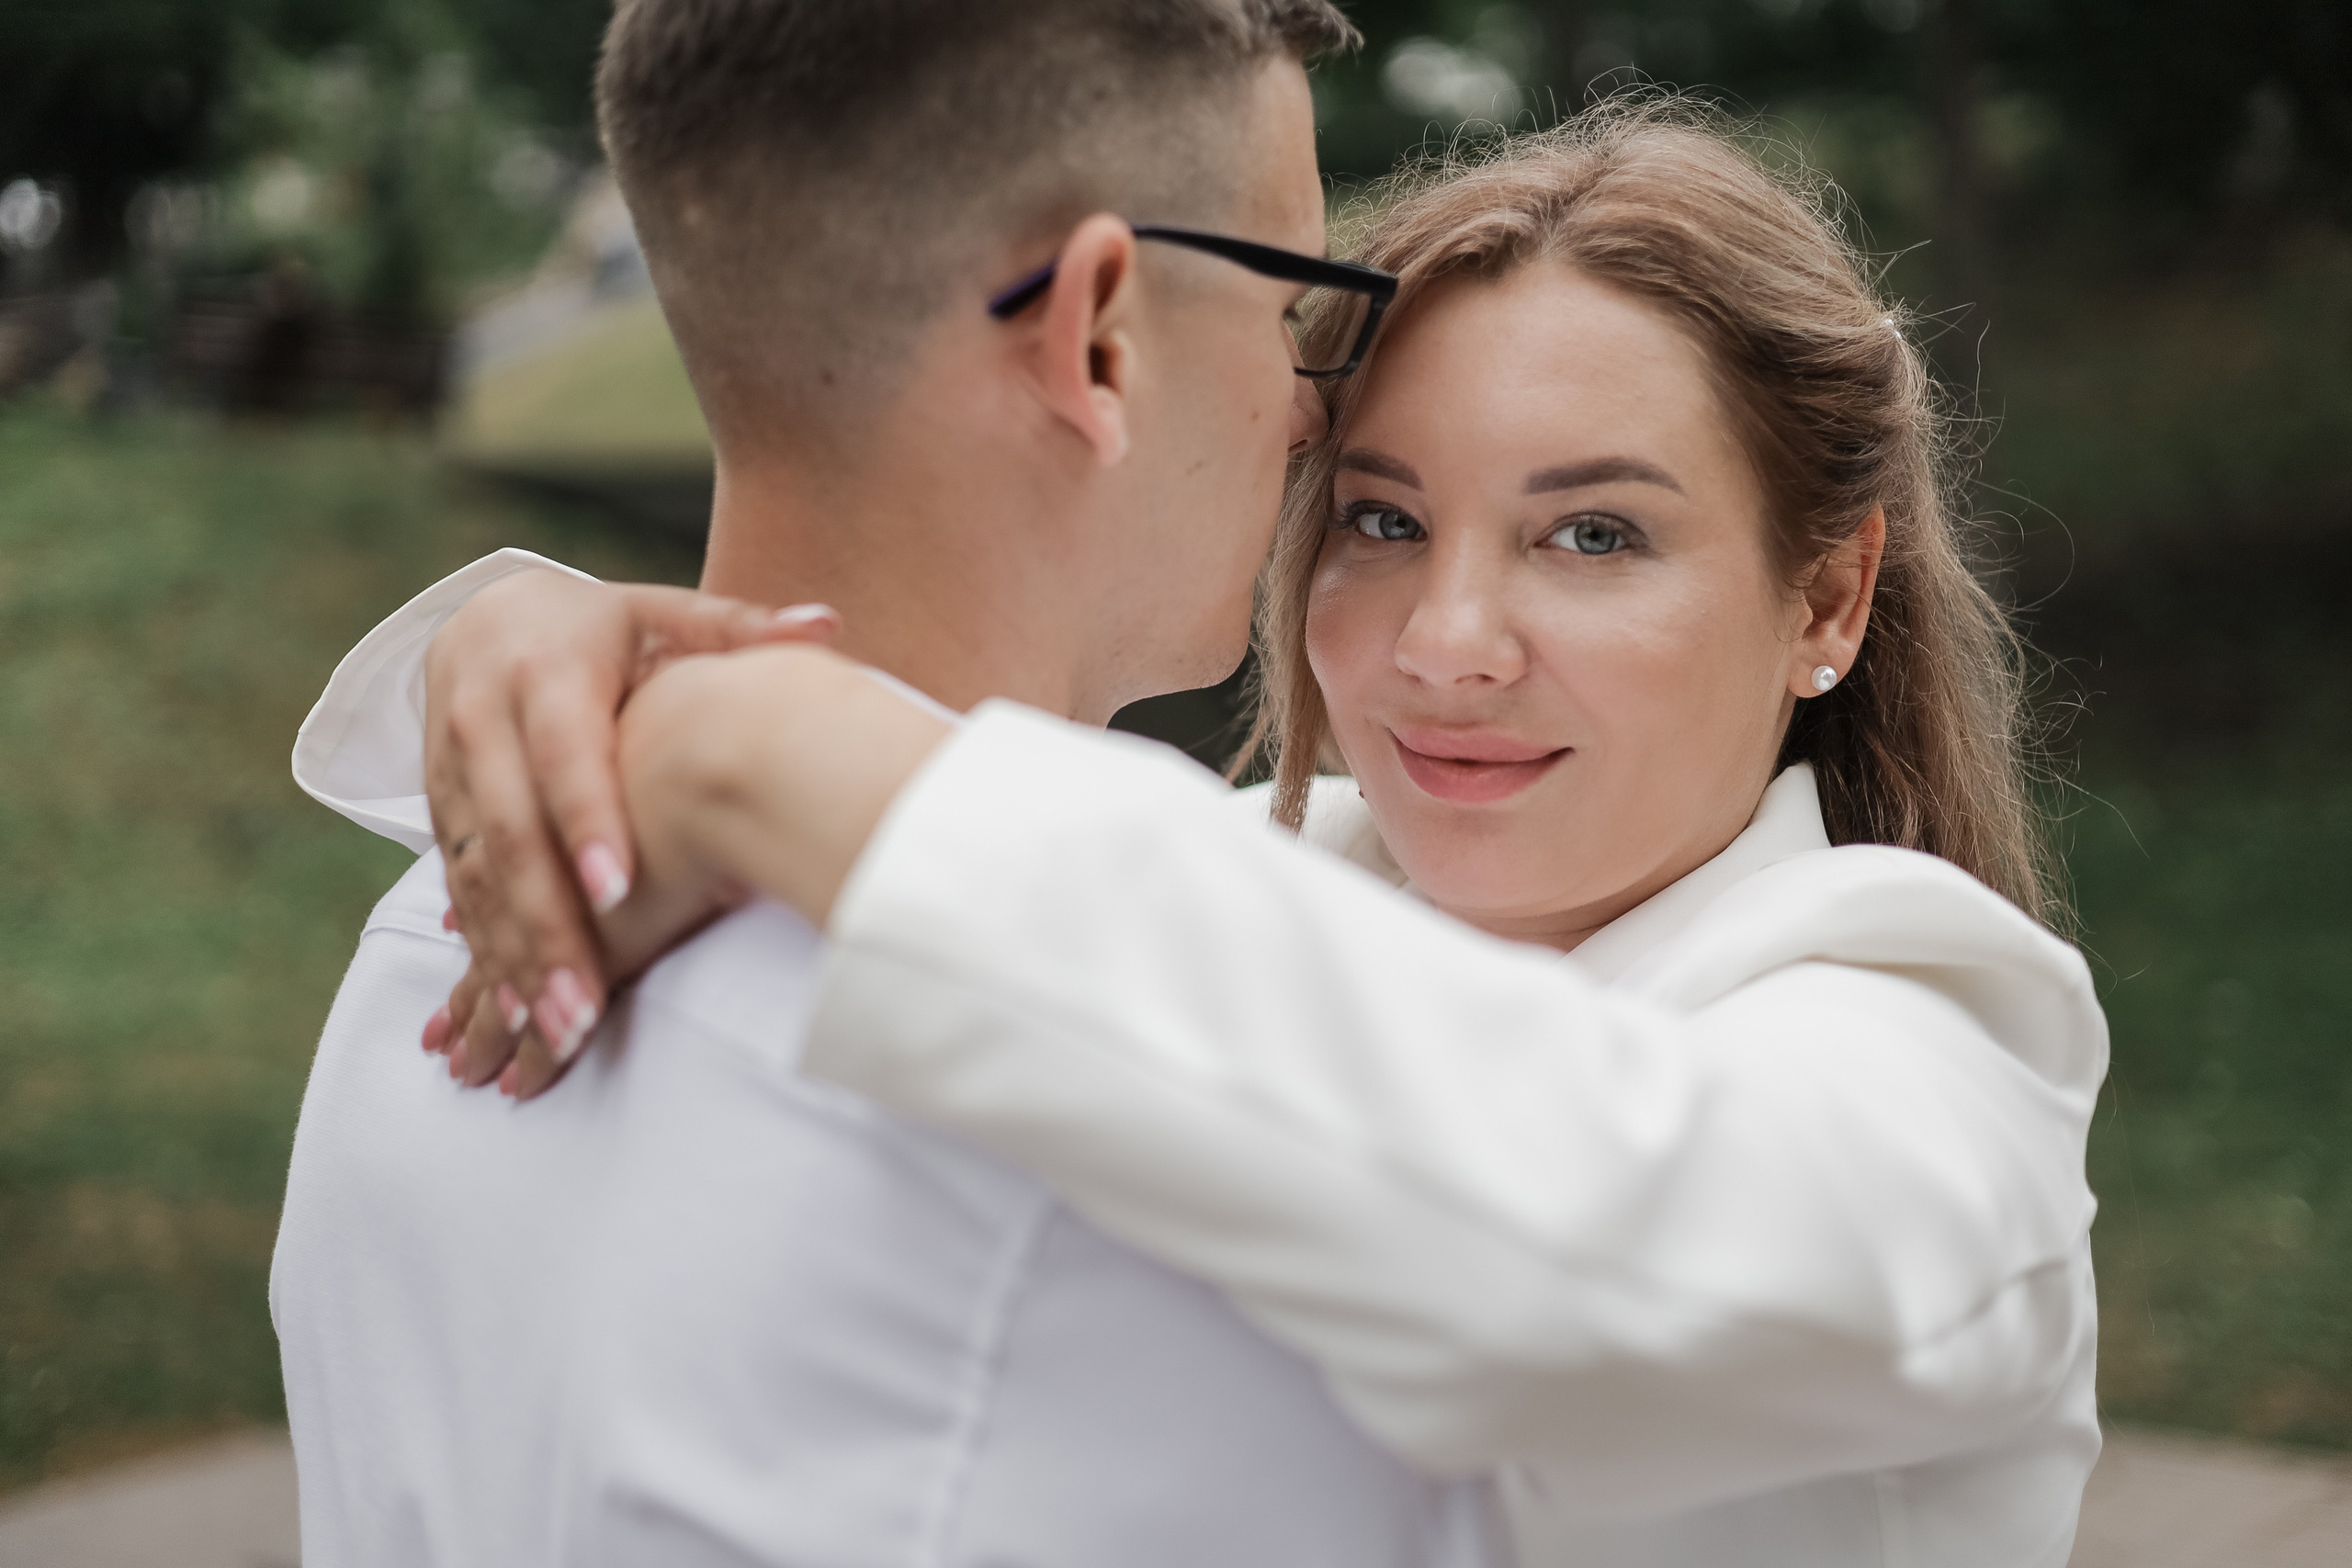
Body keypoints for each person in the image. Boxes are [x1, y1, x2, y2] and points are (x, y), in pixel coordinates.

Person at [323, 106, 2110, 1567]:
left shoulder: (1925, 1049)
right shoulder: (1282, 878)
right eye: (1382, 517)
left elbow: (1581, 1241)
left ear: (1824, 595)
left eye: (1591, 538)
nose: (1445, 642)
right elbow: (1125, 915)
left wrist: (753, 735)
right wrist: (542, 642)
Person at [273, 1, 1512, 1562]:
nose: (1311, 410)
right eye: (1287, 311)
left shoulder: (420, 957)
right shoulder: (1156, 1131)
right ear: (1098, 336)